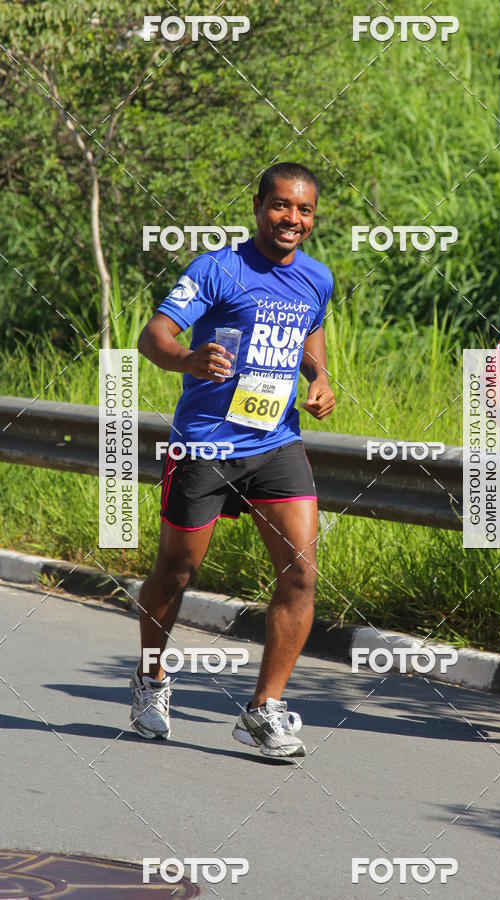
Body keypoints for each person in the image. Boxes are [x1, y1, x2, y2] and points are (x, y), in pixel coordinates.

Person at [130, 162, 335, 757]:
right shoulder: (218, 268)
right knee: (175, 572)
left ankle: (263, 708)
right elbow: (154, 338)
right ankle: (150, 678)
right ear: (257, 206)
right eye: (281, 206)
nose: (292, 219)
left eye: (304, 210)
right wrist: (189, 361)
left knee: (300, 571)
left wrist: (321, 380)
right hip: (206, 445)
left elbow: (311, 344)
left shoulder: (317, 279)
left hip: (276, 442)